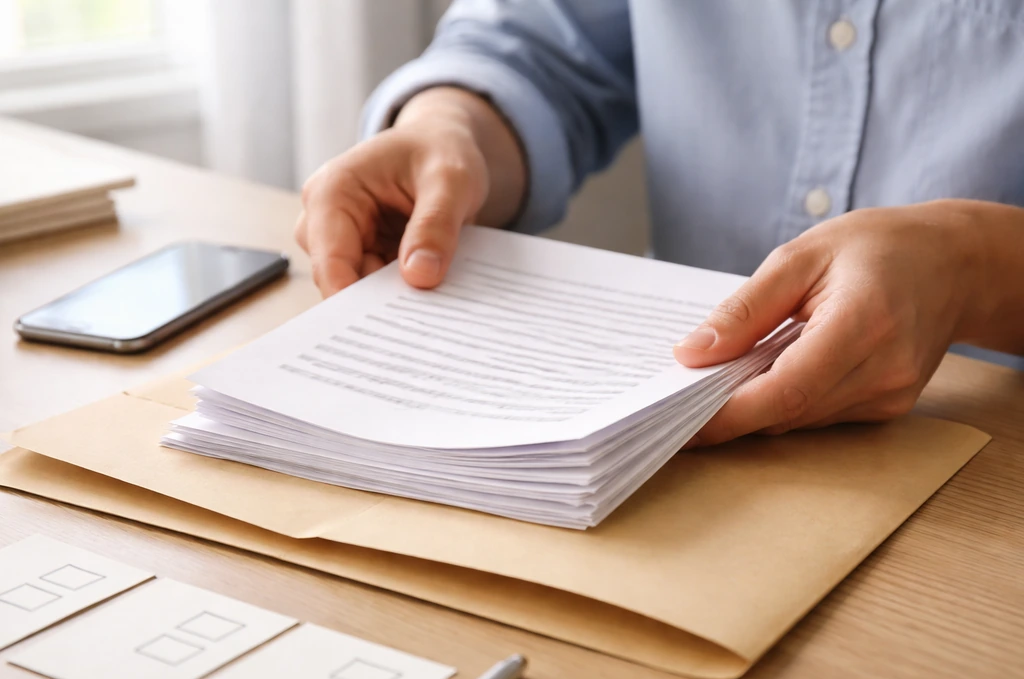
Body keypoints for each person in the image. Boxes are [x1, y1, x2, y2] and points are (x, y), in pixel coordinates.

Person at [294, 0, 1024, 449]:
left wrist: (976, 270)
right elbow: (543, 51)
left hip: (983, 472)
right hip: (668, 441)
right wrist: (450, 127)